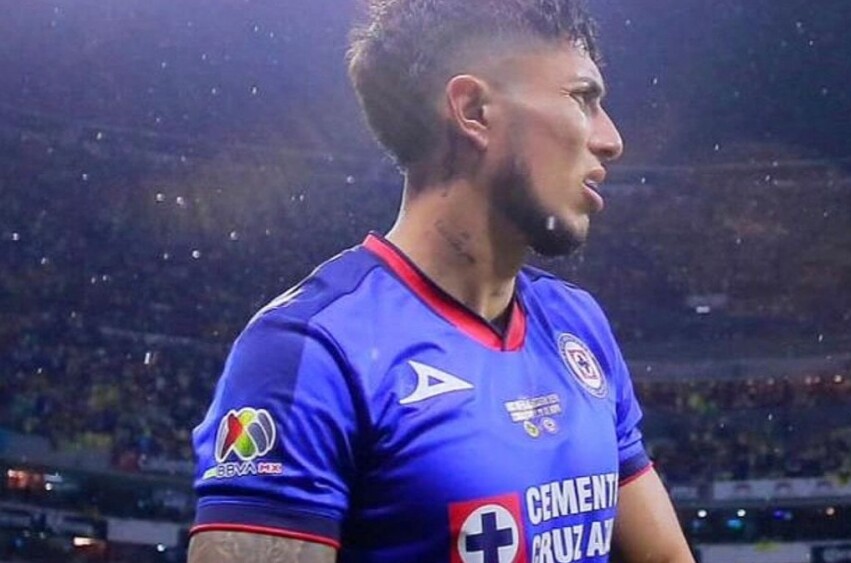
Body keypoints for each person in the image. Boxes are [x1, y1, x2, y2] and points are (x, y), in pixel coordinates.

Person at [188, 0, 694, 561]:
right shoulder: (310, 351)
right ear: (473, 110)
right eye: (582, 98)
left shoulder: (578, 323)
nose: (611, 139)